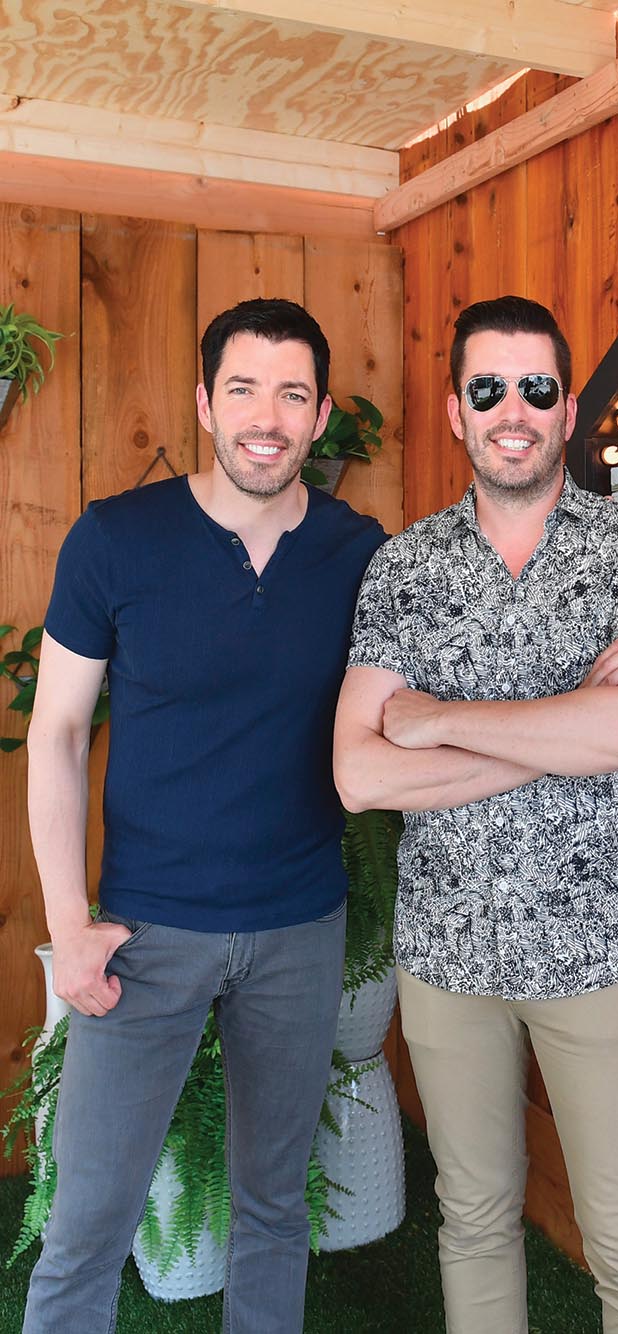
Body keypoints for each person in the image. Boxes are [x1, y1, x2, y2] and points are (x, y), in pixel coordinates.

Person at [333, 295, 618, 1332]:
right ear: (456, 410)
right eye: (487, 388)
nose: (512, 409)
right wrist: (562, 721)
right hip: (446, 954)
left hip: (600, 950)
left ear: (567, 407)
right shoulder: (404, 568)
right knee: (474, 1217)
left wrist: (440, 719)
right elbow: (359, 773)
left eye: (535, 387)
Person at [22, 298, 386, 1333]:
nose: (264, 415)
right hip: (144, 933)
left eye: (291, 392)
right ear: (204, 402)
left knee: (274, 1208)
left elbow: (424, 687)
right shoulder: (114, 540)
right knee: (89, 1216)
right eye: (242, 388)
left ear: (318, 416)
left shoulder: (359, 553)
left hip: (301, 927)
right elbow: (55, 736)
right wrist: (68, 927)